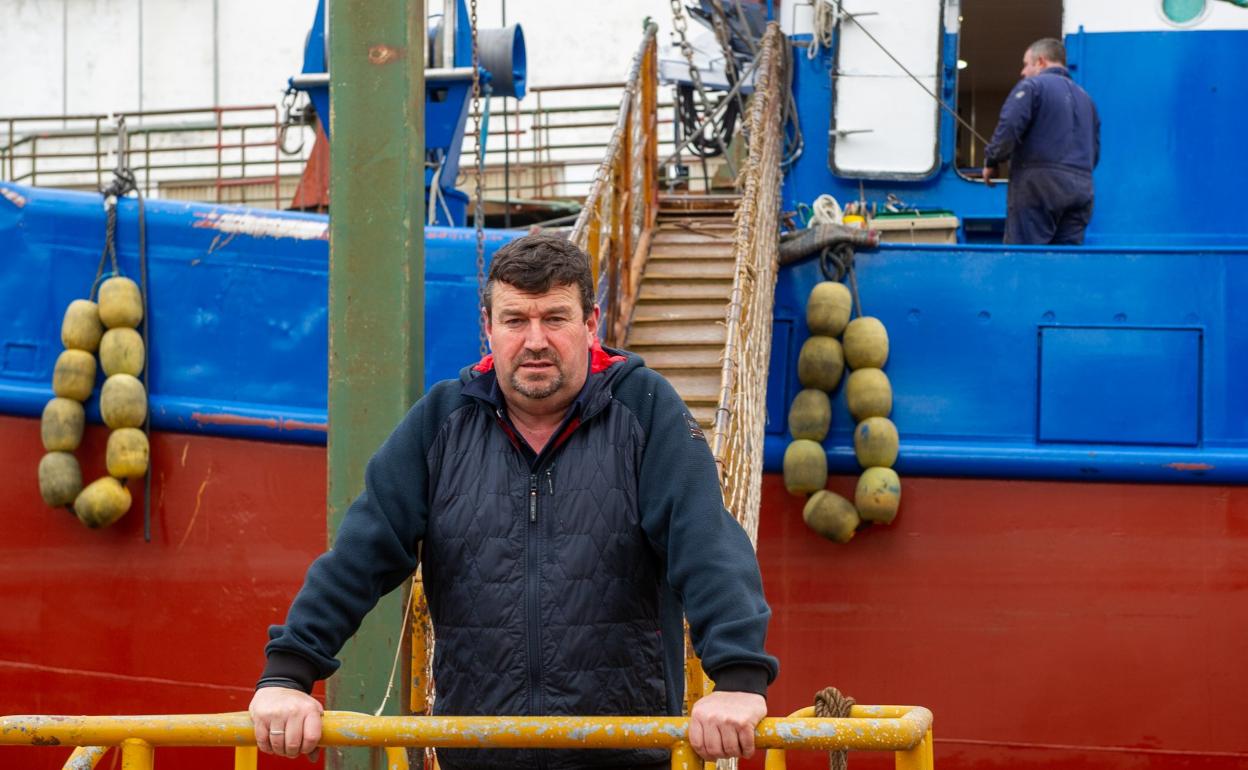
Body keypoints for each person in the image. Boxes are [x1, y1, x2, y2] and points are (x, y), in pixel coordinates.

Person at [248, 233, 778, 769]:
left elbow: (704, 542)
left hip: (621, 755)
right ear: (489, 328)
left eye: (555, 318)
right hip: (477, 755)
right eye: (515, 321)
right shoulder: (442, 422)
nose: (535, 341)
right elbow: (361, 552)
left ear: (591, 323)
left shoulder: (644, 410)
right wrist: (288, 673)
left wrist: (736, 678)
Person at [982, 38, 1100, 245]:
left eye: (1026, 64)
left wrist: (992, 160)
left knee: (1025, 260)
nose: (1023, 71)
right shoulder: (1087, 99)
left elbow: (1009, 126)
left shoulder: (1032, 87)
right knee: (1064, 262)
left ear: (1041, 61)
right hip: (1082, 188)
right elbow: (1095, 152)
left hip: (1039, 188)